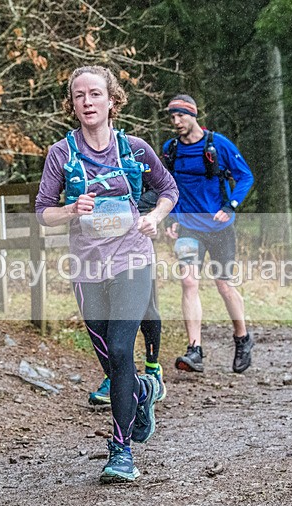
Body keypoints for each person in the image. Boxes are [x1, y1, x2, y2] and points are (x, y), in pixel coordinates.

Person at [35, 65, 178, 482]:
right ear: (72, 105)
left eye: (95, 94)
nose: (87, 102)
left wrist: (153, 217)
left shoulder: (134, 148)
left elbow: (169, 190)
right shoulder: (61, 154)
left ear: (112, 100)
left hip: (133, 257)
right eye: (79, 96)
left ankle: (121, 451)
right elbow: (44, 212)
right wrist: (69, 210)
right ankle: (142, 391)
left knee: (120, 349)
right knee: (109, 357)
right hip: (87, 264)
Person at [161, 95, 255, 374]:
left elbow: (245, 176)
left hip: (220, 228)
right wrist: (172, 218)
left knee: (224, 285)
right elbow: (169, 186)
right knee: (189, 281)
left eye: (180, 116)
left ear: (193, 115)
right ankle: (195, 350)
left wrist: (231, 206)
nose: (176, 122)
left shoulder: (218, 144)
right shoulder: (171, 149)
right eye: (172, 117)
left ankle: (242, 338)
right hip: (189, 228)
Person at [88, 189, 166, 406]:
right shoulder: (90, 157)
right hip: (102, 239)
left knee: (147, 310)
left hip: (136, 237)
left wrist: (132, 207)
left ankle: (152, 368)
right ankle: (115, 376)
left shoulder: (138, 155)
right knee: (108, 313)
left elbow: (162, 187)